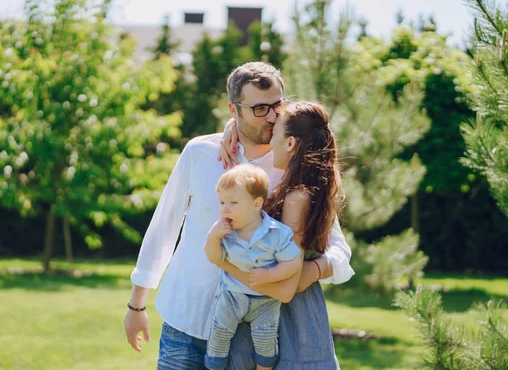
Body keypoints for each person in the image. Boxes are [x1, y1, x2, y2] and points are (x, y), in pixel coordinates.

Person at [123, 62, 354, 370]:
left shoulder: (292, 164)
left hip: (246, 335)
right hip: (186, 322)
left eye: (277, 105)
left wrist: (310, 271)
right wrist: (136, 304)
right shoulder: (200, 153)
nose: (272, 116)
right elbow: (164, 226)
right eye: (260, 109)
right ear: (234, 109)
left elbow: (337, 246)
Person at [219, 100, 346, 369]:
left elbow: (290, 287)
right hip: (292, 318)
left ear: (290, 143)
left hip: (293, 324)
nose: (270, 142)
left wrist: (225, 264)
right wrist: (232, 126)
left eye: (275, 133)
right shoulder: (310, 188)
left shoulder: (297, 198)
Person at [204, 164, 302, 370]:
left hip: (265, 302)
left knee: (266, 338)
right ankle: (214, 366)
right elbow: (214, 258)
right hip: (232, 295)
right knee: (220, 332)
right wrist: (213, 237)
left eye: (233, 202)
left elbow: (293, 262)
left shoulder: (276, 233)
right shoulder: (224, 231)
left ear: (257, 204)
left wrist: (270, 274)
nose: (225, 209)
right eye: (222, 202)